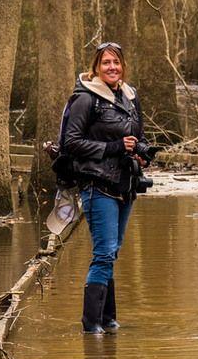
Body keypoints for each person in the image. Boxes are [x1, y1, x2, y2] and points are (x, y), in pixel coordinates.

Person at [61, 41, 153, 333]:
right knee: (103, 252)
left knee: (112, 251)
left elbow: (139, 136)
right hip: (96, 184)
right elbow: (71, 143)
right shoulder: (85, 99)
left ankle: (109, 320)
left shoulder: (130, 96)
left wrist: (143, 151)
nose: (112, 67)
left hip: (125, 184)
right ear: (96, 68)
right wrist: (114, 146)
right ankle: (91, 326)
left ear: (122, 66)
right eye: (106, 63)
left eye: (116, 62)